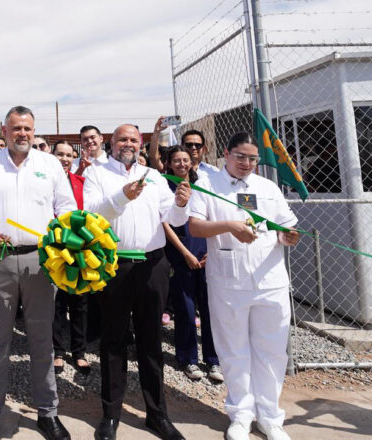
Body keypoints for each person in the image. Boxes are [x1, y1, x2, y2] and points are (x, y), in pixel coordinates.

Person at [0, 106, 76, 440]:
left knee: (41, 339)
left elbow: (67, 207)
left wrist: (57, 235)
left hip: (40, 261)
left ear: (33, 129)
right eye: (16, 128)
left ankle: (48, 412)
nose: (22, 134)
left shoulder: (49, 164)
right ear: (5, 129)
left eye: (27, 128)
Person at [188, 132, 300, 440]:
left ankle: (270, 417)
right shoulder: (208, 186)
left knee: (272, 350)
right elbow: (195, 225)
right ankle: (240, 415)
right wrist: (229, 227)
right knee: (233, 349)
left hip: (270, 280)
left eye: (252, 159)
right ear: (226, 153)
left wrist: (289, 236)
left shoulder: (268, 187)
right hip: (228, 280)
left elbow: (286, 226)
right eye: (240, 157)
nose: (246, 164)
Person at [84, 124, 191, 440]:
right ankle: (111, 416)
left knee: (151, 340)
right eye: (121, 139)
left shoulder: (154, 175)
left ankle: (157, 415)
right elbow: (90, 214)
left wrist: (182, 203)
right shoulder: (97, 173)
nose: (127, 143)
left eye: (133, 139)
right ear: (112, 143)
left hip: (153, 265)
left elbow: (172, 218)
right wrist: (121, 196)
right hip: (115, 265)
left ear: (140, 143)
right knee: (114, 341)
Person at [162, 146, 222, 383]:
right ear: (169, 163)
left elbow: (212, 218)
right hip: (181, 254)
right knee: (186, 311)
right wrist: (185, 253)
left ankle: (213, 360)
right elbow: (165, 224)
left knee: (210, 310)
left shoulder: (204, 186)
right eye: (176, 160)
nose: (182, 164)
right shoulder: (165, 187)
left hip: (206, 254)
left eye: (185, 159)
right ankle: (188, 359)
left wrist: (210, 250)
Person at [50, 141, 90, 376]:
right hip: (53, 249)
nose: (64, 159)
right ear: (52, 156)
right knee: (56, 303)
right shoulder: (45, 182)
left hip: (78, 249)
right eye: (60, 154)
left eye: (68, 155)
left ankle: (80, 351)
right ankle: (57, 350)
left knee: (79, 302)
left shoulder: (81, 184)